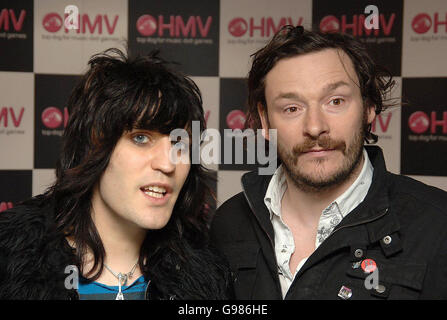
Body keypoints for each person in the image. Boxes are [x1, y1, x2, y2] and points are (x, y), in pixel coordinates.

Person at [210, 25, 447, 300]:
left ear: (369, 107)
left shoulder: (438, 226)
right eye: (292, 108)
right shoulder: (229, 223)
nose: (315, 127)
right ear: (265, 120)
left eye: (335, 101)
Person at [0, 48, 231, 300]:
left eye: (180, 144)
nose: (168, 164)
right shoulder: (11, 259)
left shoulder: (207, 279)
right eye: (141, 138)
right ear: (93, 147)